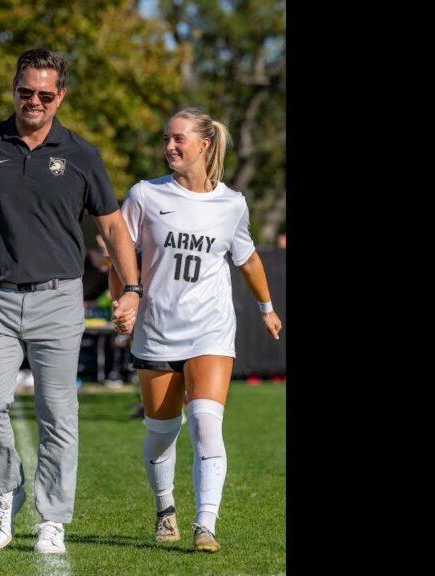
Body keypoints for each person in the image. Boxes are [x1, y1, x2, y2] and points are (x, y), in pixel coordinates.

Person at [0, 48, 141, 554]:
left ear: (60, 97)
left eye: (45, 95)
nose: (34, 101)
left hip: (59, 298)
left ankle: (52, 517)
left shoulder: (81, 154)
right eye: (25, 91)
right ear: (14, 88)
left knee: (58, 412)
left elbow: (113, 226)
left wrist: (133, 288)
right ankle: (6, 491)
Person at [110, 106, 282, 553]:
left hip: (211, 331)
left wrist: (266, 307)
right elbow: (120, 254)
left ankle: (206, 524)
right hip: (156, 330)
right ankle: (165, 508)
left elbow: (248, 259)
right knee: (162, 431)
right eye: (167, 138)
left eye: (178, 138)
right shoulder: (145, 195)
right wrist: (124, 300)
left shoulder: (232, 204)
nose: (169, 146)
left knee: (207, 425)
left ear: (204, 144)